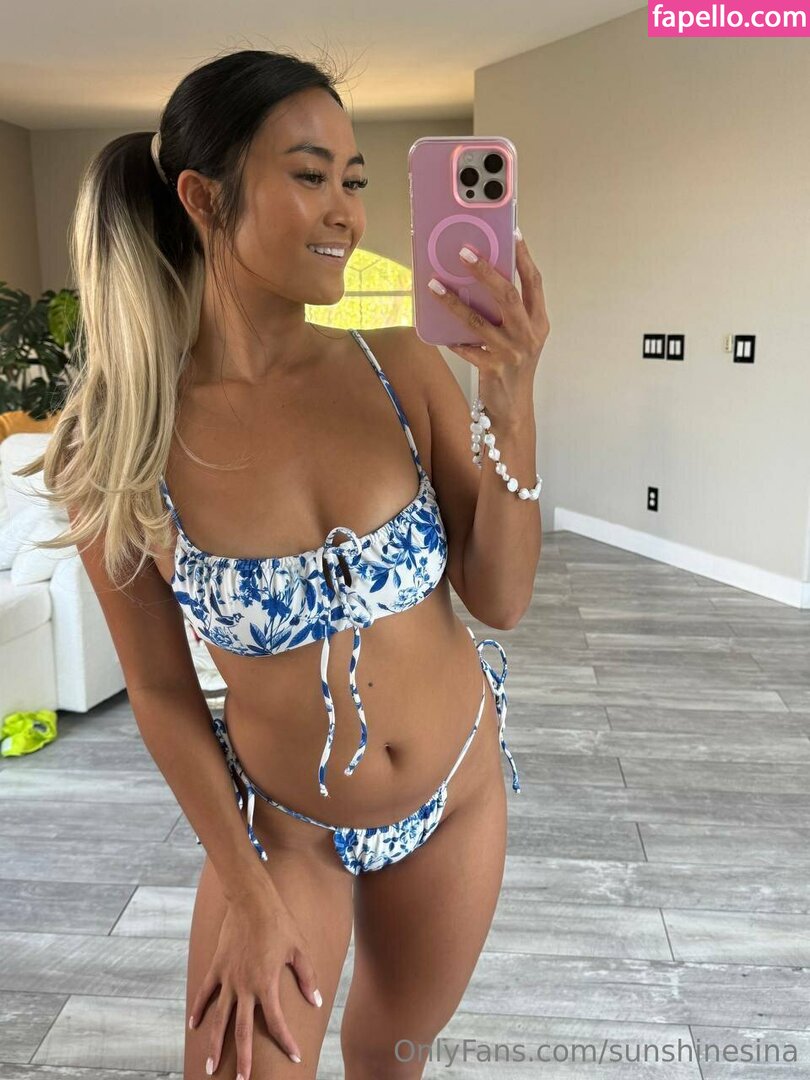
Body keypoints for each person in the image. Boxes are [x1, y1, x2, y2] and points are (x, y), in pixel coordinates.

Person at [22, 46, 548, 1080]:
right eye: (311, 175)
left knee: (390, 1058)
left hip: (457, 791)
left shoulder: (398, 363)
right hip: (287, 834)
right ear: (202, 197)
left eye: (354, 179)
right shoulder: (121, 441)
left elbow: (501, 597)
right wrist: (247, 893)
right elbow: (162, 693)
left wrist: (512, 404)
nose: (346, 212)